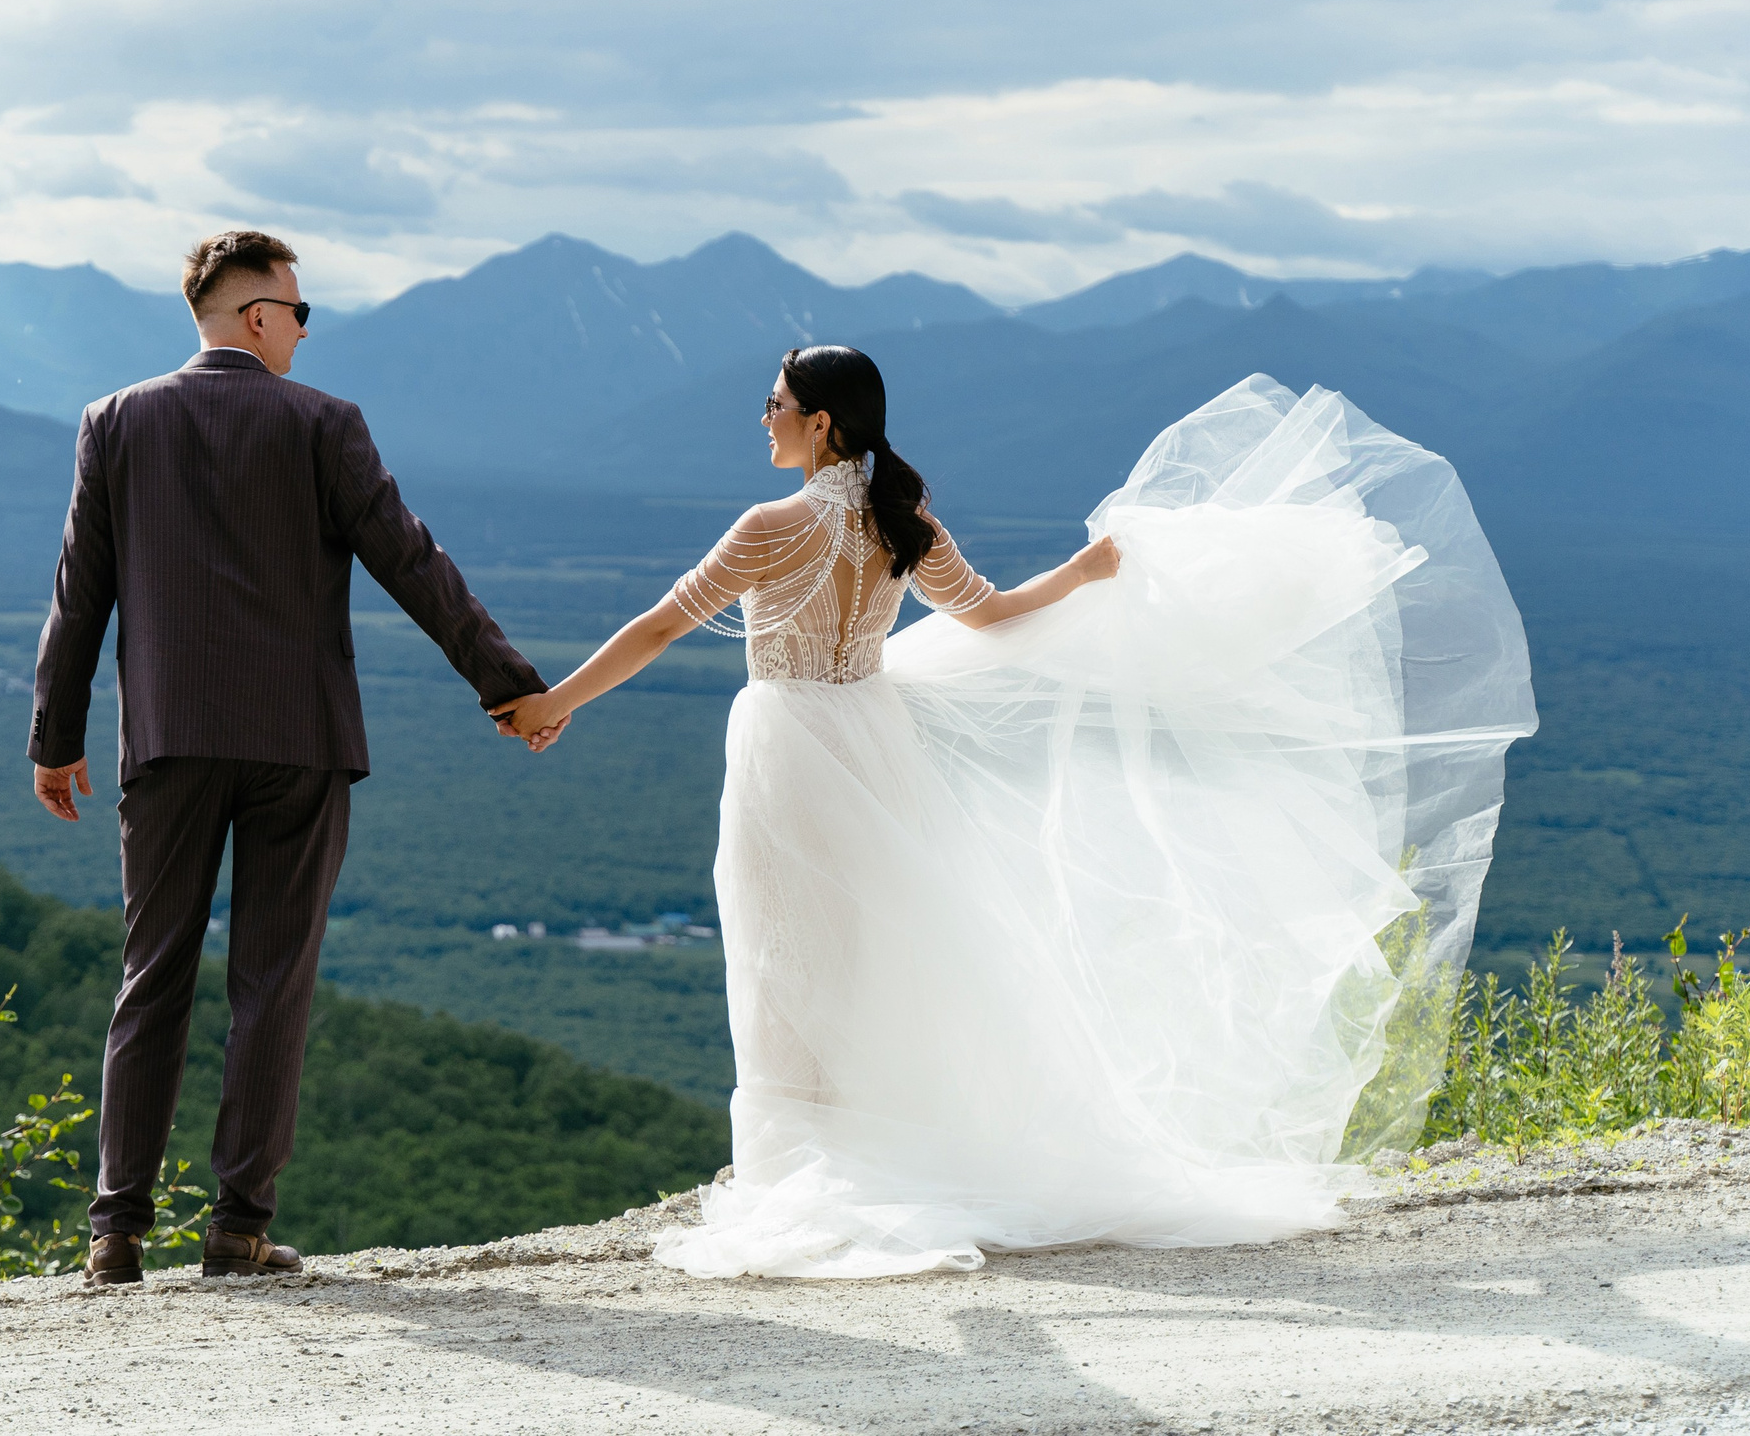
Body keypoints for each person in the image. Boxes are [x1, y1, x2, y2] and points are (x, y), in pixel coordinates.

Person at [497, 346, 1535, 1277]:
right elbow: (988, 614)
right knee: (867, 956)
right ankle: (861, 1154)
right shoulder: (900, 524)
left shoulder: (772, 527)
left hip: (790, 744)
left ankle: (793, 1177)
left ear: (822, 423)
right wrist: (1082, 576)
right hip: (872, 737)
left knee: (780, 957)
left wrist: (555, 705)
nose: (760, 418)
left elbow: (658, 625)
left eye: (773, 403)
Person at [29, 229, 550, 1286]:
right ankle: (236, 1230)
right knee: (272, 982)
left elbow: (81, 588)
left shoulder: (115, 422)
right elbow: (411, 559)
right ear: (258, 315)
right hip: (299, 743)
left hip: (168, 741)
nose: (305, 332)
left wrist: (55, 737)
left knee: (151, 975)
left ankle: (114, 1234)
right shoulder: (323, 424)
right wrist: (507, 684)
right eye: (300, 313)